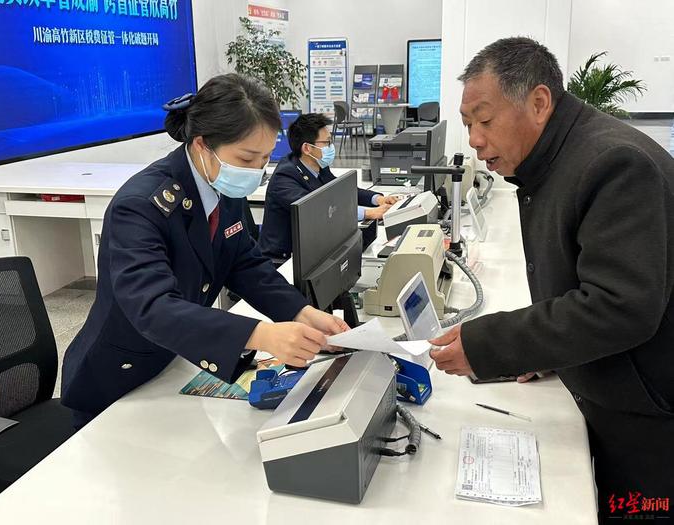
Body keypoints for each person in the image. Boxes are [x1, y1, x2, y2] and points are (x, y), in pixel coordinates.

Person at [429, 37, 674, 522]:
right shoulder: (557, 162)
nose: (474, 140)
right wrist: (549, 353)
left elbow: (618, 306)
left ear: (539, 103)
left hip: (648, 426)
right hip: (613, 394)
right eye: (467, 125)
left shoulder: (613, 164)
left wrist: (487, 344)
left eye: (484, 120)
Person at [61, 74, 348, 428]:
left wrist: (301, 312)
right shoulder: (140, 206)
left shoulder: (221, 186)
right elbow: (152, 307)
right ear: (201, 144)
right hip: (117, 378)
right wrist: (258, 334)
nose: (256, 172)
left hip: (175, 358)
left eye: (263, 159)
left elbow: (244, 263)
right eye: (246, 159)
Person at [258, 113, 398, 260]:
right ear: (307, 148)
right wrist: (370, 213)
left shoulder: (318, 166)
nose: (331, 147)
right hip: (283, 259)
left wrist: (378, 200)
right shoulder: (285, 176)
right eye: (327, 143)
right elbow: (317, 209)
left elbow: (341, 190)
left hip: (314, 247)